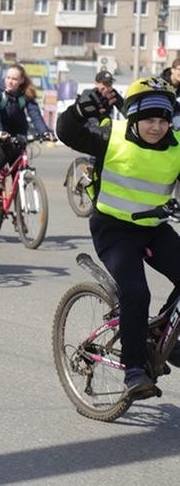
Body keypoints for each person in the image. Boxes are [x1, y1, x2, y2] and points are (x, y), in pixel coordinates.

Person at [57, 76, 180, 399]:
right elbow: (67, 132)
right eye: (149, 120)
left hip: (153, 228)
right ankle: (134, 369)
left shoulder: (176, 145)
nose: (156, 128)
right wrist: (79, 110)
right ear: (135, 119)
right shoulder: (112, 137)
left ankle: (160, 332)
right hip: (114, 230)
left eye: (162, 121)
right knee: (136, 292)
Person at [0, 64, 55, 190]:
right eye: (8, 78)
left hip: (18, 131)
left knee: (17, 172)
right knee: (7, 146)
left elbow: (35, 115)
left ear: (21, 80)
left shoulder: (26, 94)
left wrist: (44, 132)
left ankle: (19, 206)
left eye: (14, 79)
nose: (10, 81)